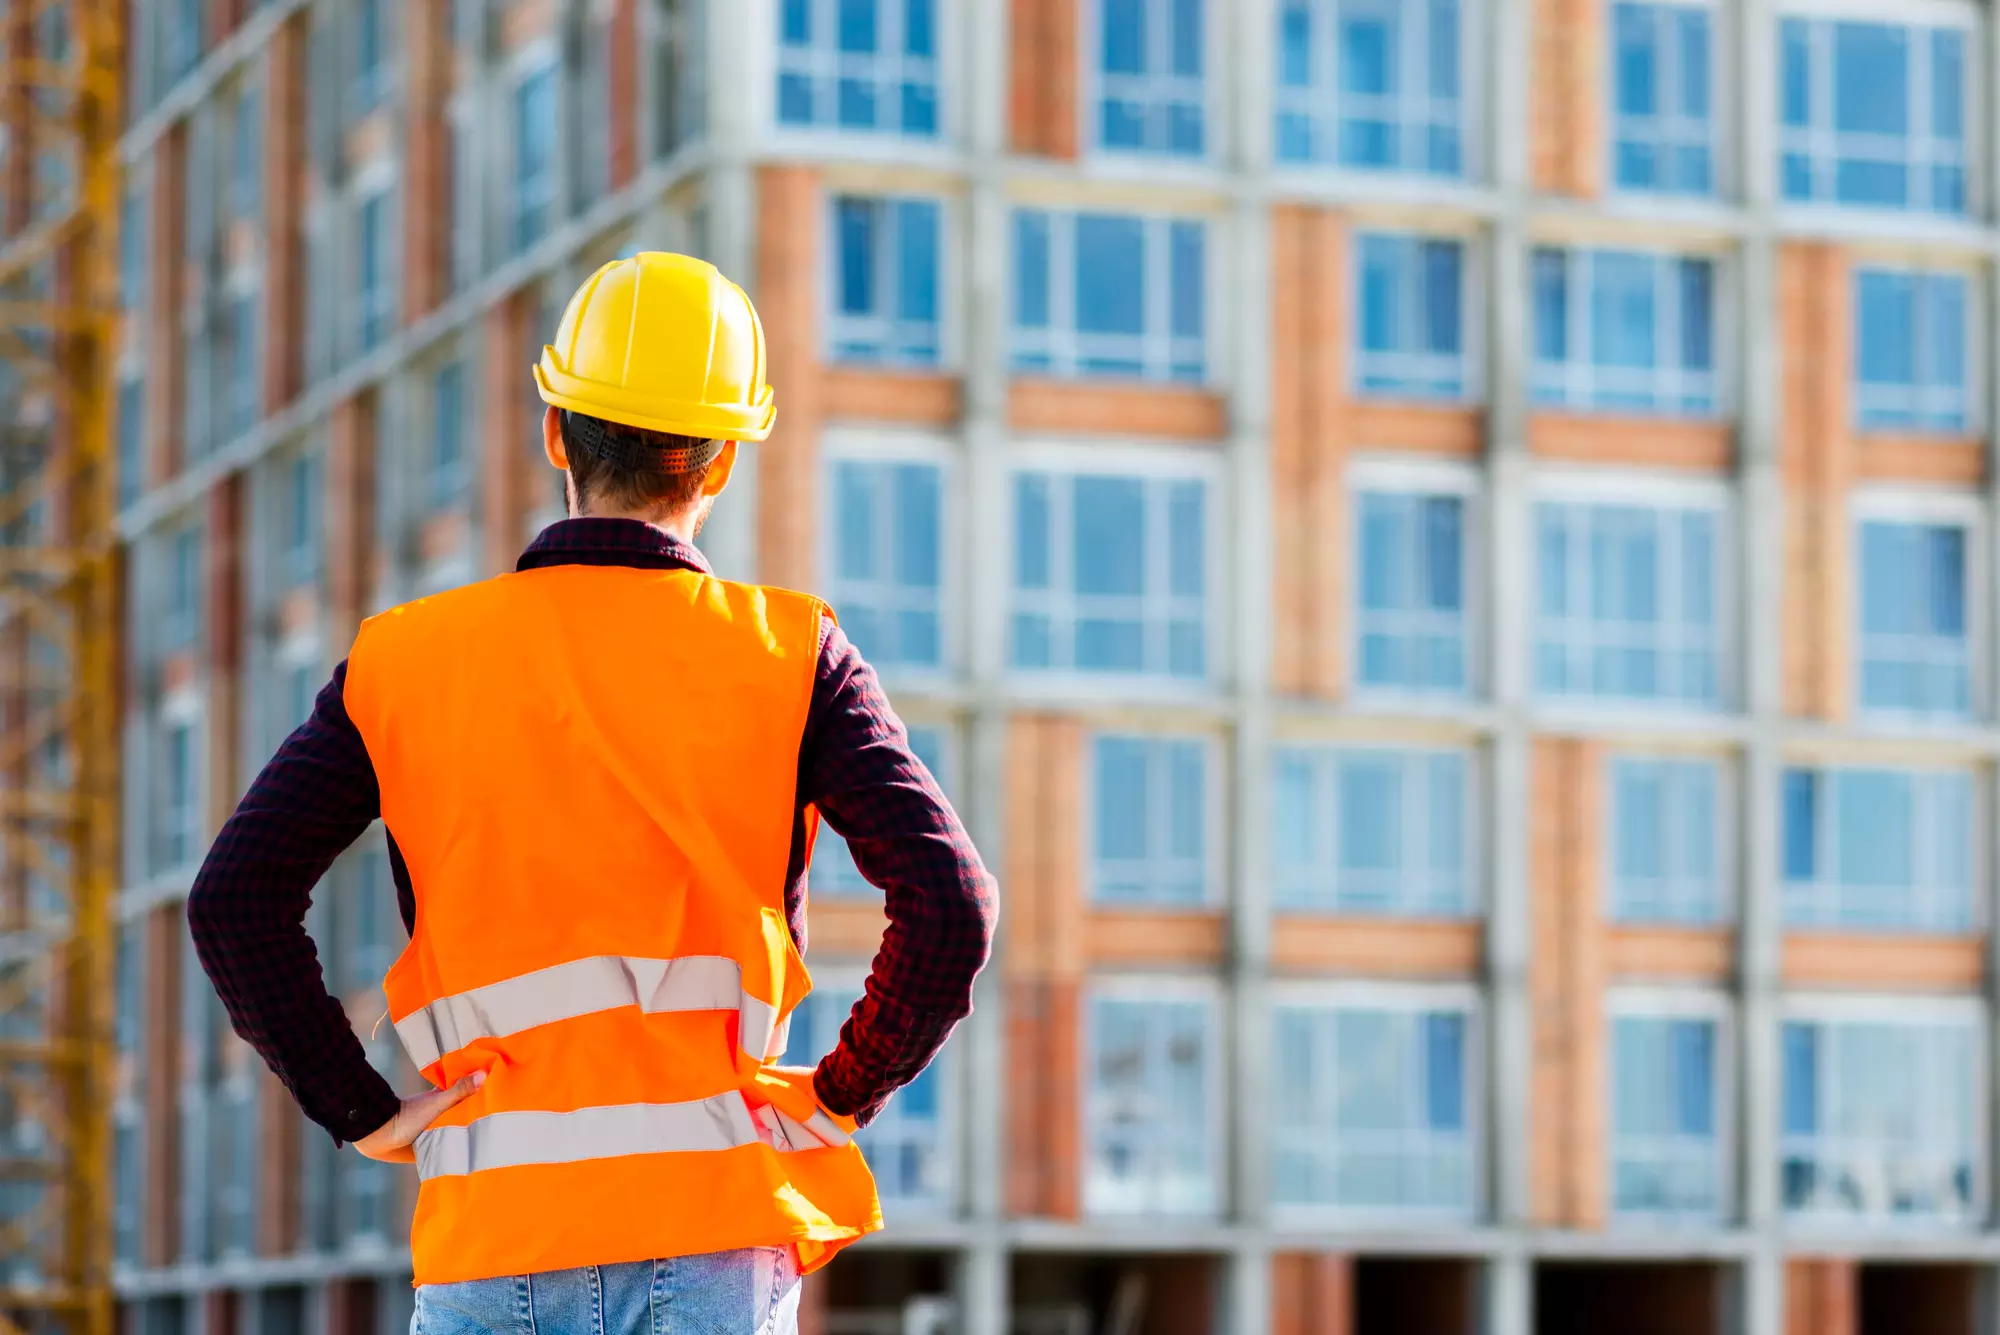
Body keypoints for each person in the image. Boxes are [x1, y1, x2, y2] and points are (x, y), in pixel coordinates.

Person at [188, 252, 996, 1335]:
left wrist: (359, 1108)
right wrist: (845, 1087)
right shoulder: (791, 654)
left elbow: (233, 898)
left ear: (555, 432)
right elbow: (950, 905)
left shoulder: (406, 662)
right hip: (712, 1235)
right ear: (717, 466)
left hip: (492, 1241)